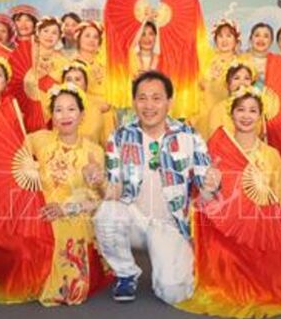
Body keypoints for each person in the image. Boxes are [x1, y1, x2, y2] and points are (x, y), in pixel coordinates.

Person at [91, 71, 220, 304]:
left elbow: (205, 194)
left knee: (174, 293)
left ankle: (169, 261)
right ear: (134, 102)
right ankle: (126, 272)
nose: (149, 105)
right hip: (134, 219)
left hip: (169, 224)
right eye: (142, 98)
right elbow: (113, 192)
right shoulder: (119, 136)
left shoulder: (189, 136)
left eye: (156, 98)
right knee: (107, 212)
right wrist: (99, 180)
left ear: (170, 101)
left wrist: (211, 185)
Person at [0, 83, 112, 305]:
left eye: (71, 109)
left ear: (82, 115)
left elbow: (98, 200)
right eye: (58, 110)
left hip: (74, 213)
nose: (65, 115)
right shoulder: (39, 140)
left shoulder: (93, 151)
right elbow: (9, 152)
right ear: (52, 115)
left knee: (68, 278)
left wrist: (90, 186)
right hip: (38, 208)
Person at [177, 86, 281, 319]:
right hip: (228, 229)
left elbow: (280, 195)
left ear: (260, 116)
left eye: (253, 110)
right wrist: (207, 188)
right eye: (241, 110)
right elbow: (203, 199)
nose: (246, 115)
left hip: (261, 226)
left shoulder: (271, 154)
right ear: (231, 114)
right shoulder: (217, 150)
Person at [193, 19, 241, 137]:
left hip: (230, 116)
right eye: (220, 36)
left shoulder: (242, 63)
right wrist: (208, 77)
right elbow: (198, 84)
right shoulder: (207, 60)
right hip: (205, 114)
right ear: (215, 40)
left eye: (229, 36)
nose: (224, 40)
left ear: (236, 41)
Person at [60, 62, 115, 145]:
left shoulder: (99, 107)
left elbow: (108, 143)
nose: (73, 83)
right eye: (68, 80)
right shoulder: (56, 106)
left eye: (77, 79)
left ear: (86, 84)